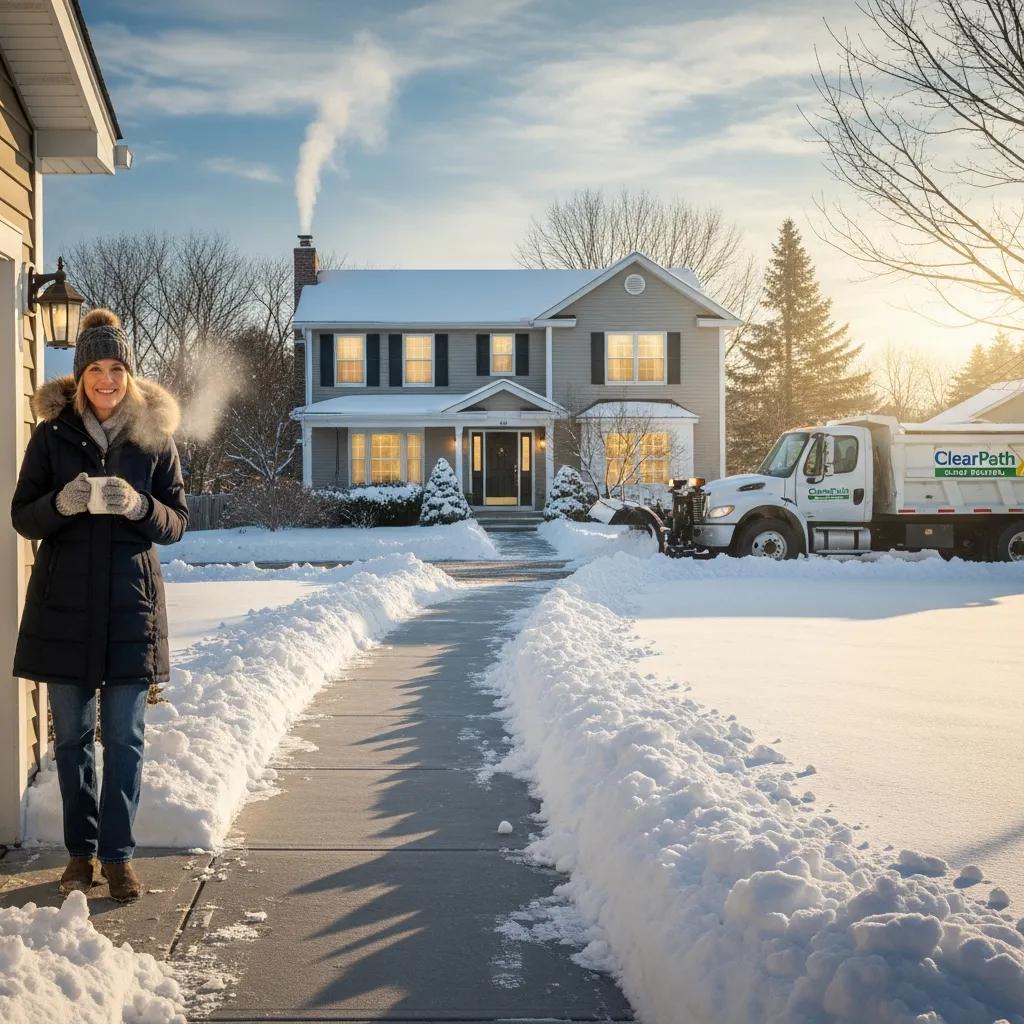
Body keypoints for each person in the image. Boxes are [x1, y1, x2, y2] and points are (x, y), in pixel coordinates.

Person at [10, 308, 188, 903]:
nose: (106, 380)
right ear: (80, 374)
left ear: (129, 374)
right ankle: (80, 855)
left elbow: (176, 523)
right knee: (72, 741)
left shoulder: (155, 439)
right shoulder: (51, 436)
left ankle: (118, 857)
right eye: (95, 368)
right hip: (63, 609)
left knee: (126, 739)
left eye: (116, 368)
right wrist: (61, 503)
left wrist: (138, 505)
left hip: (130, 609)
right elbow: (21, 516)